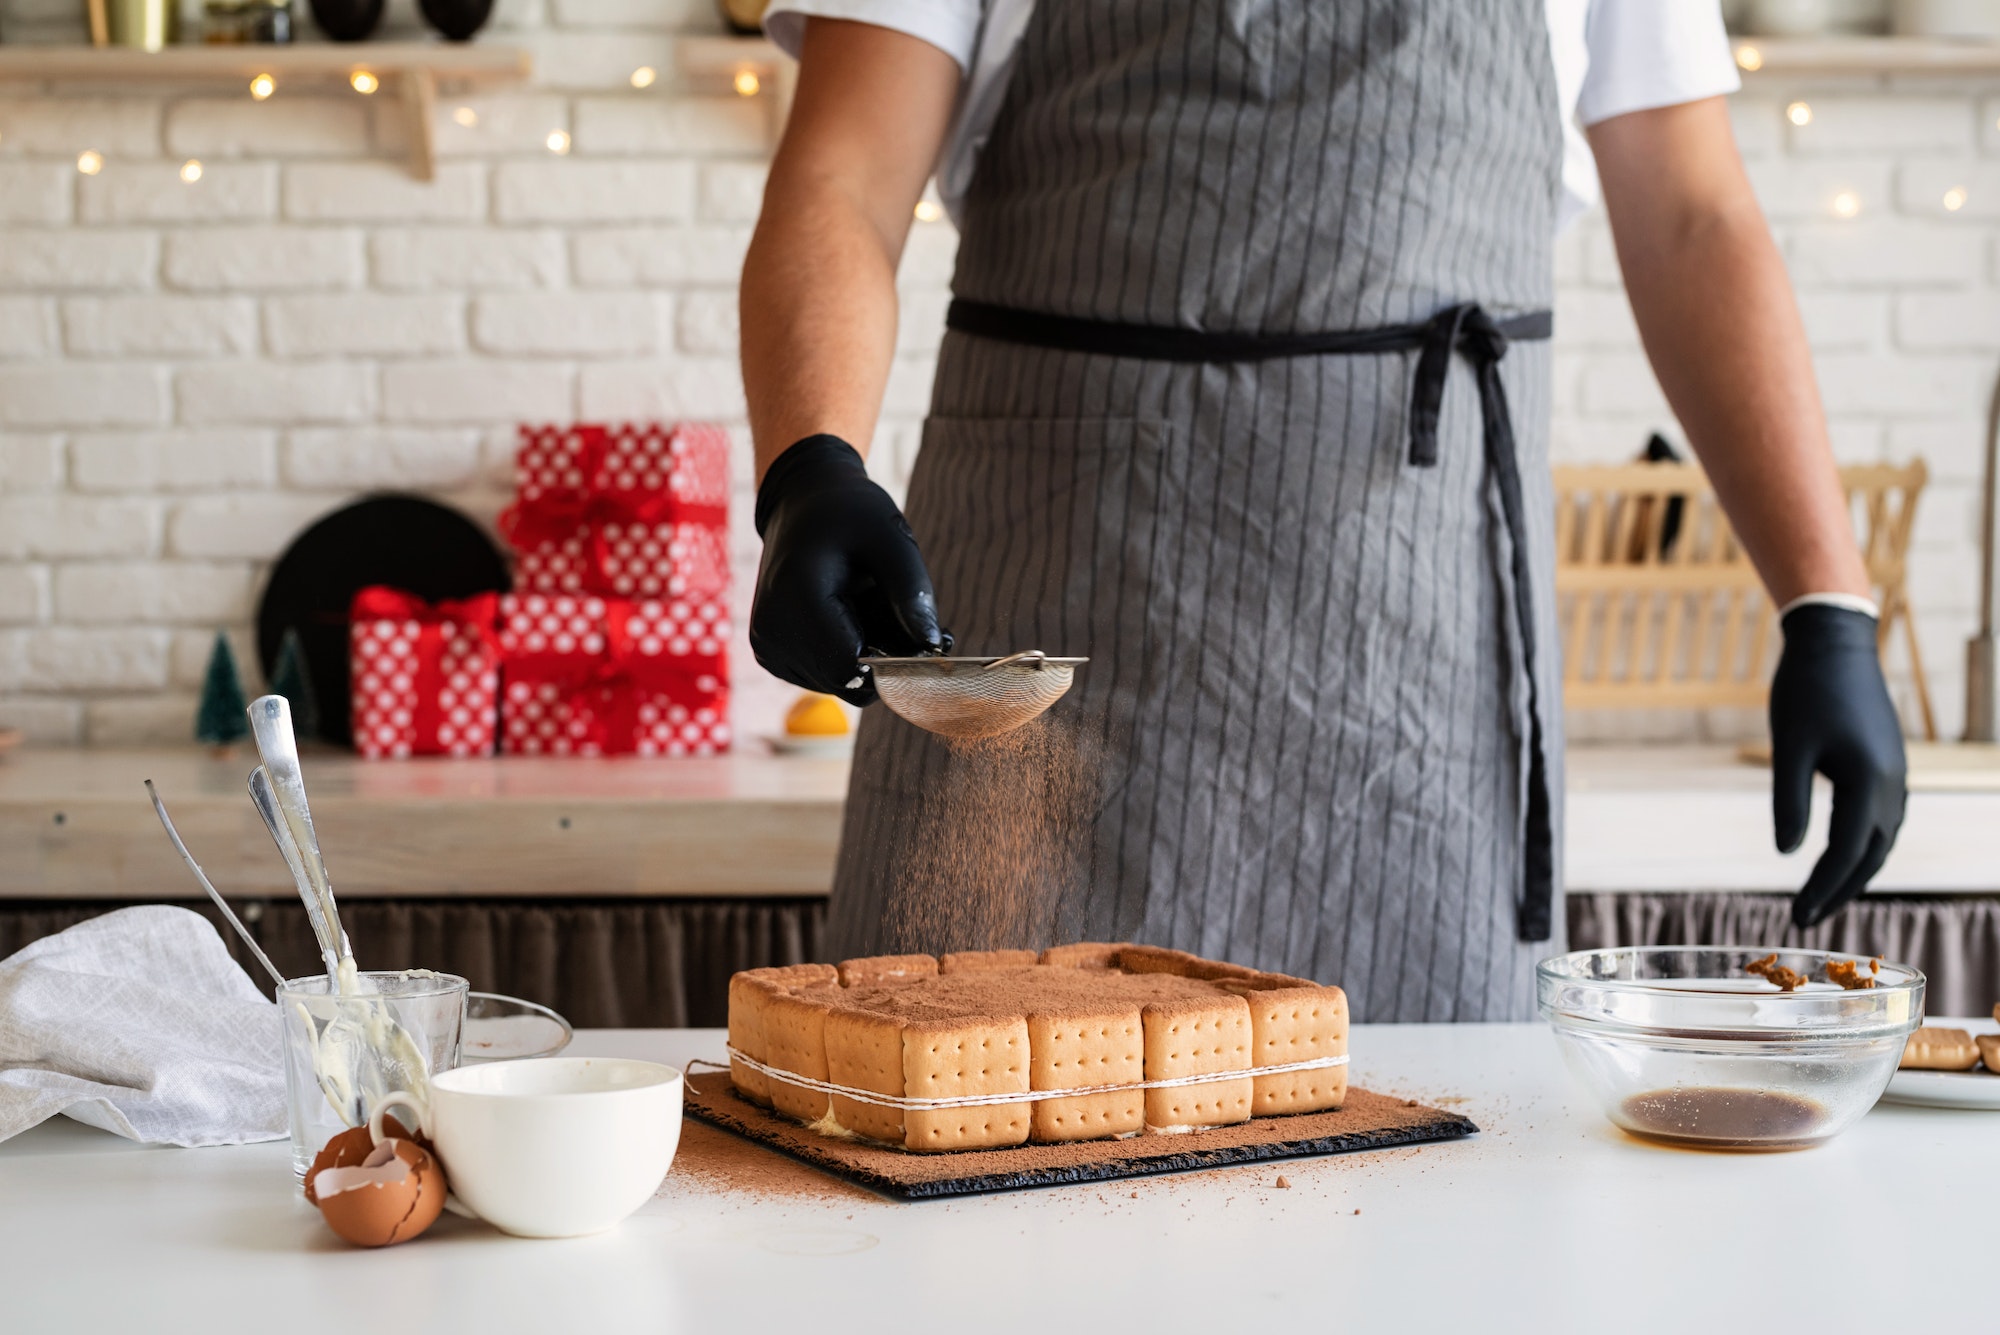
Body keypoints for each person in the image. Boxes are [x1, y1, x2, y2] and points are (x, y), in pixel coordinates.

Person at [740, 0, 1908, 1021]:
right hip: (1054, 611)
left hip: (1415, 659)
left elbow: (1692, 214)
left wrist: (1821, 599)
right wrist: (808, 463)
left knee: (1435, 1200)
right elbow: (842, 172)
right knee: (965, 1154)